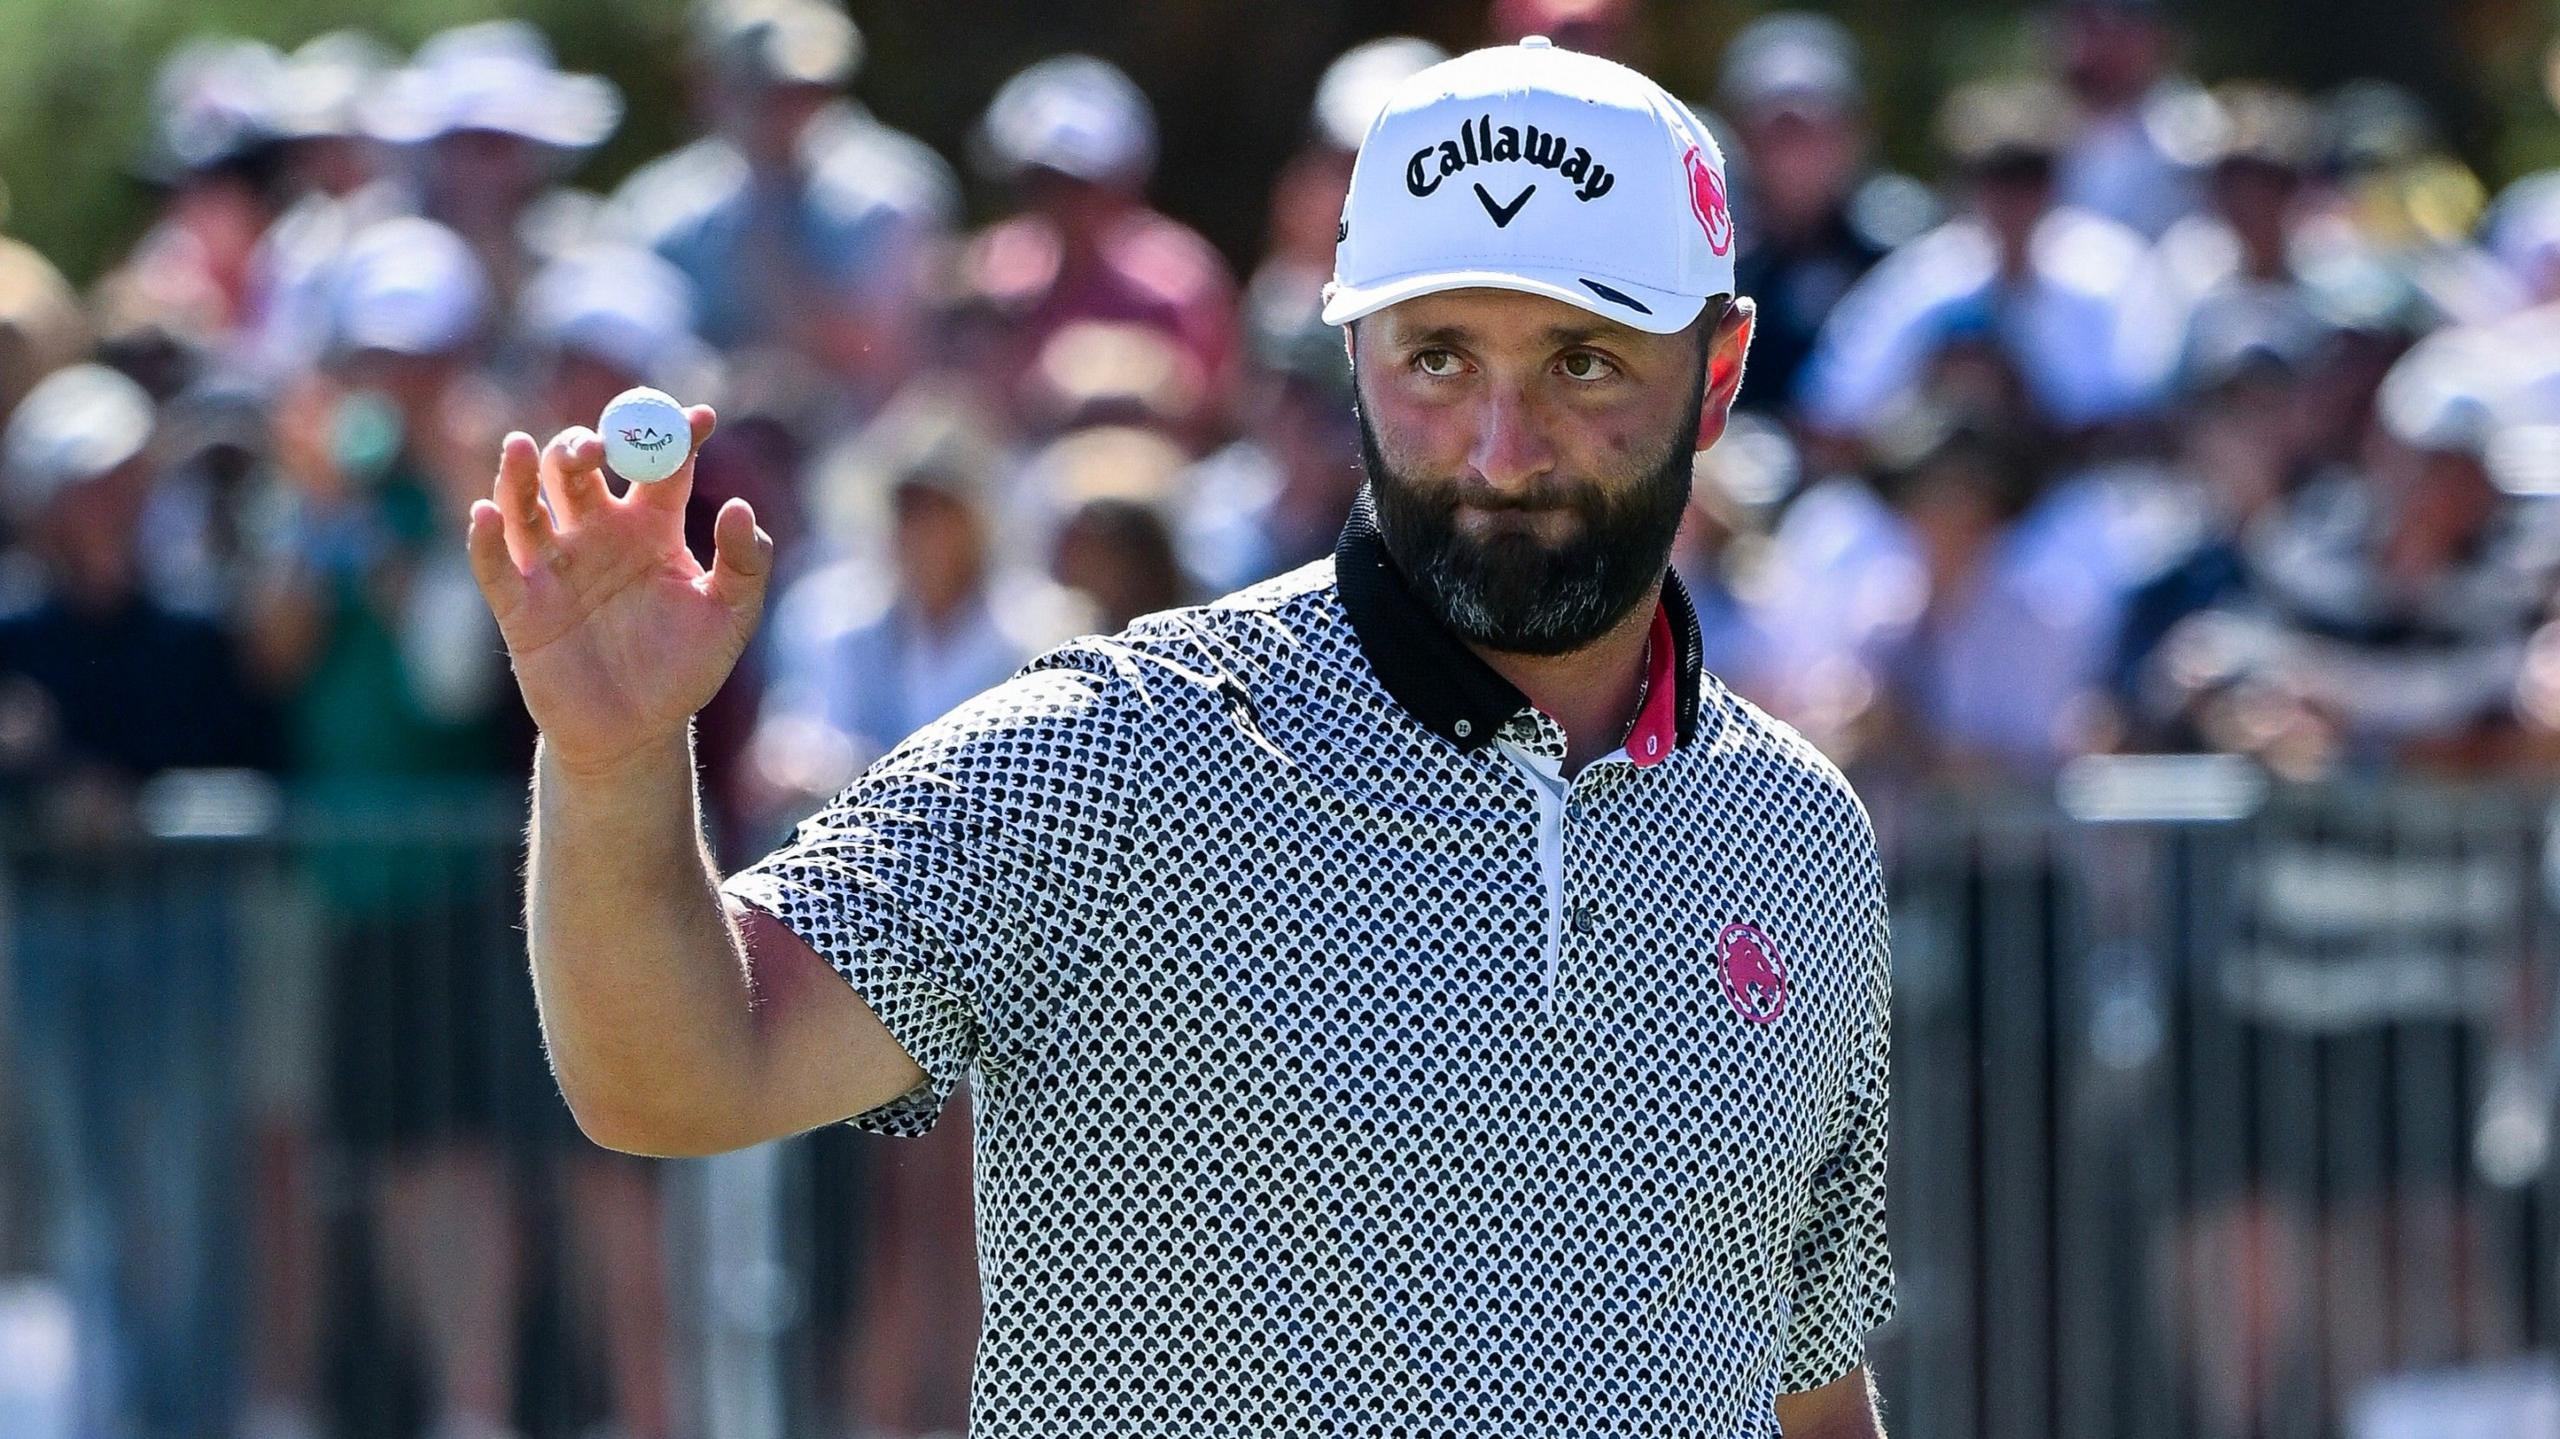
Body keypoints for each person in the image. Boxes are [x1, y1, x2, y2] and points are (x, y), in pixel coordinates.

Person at [469, 37, 1895, 1437]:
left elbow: (1809, 1391)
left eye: (1583, 363)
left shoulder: (1801, 836)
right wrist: (610, 762)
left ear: (1717, 374)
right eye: (1439, 358)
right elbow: (675, 1074)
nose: (1499, 448)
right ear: (1350, 353)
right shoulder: (1113, 756)